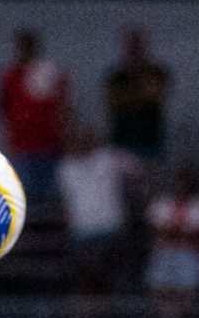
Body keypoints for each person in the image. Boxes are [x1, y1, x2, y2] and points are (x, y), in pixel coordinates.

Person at [56, 121, 138, 297]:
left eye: (85, 138)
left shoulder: (109, 158)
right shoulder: (66, 168)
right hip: (82, 233)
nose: (80, 142)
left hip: (111, 229)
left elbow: (137, 170)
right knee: (85, 284)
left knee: (112, 281)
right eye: (76, 139)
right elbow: (67, 201)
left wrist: (131, 195)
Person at [0, 30, 69, 208]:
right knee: (26, 197)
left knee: (51, 198)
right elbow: (2, 108)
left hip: (49, 144)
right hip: (22, 147)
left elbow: (62, 106)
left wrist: (63, 136)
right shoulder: (10, 76)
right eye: (23, 47)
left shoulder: (49, 72)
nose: (25, 51)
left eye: (29, 47)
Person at [143, 169, 199, 310]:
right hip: (163, 255)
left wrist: (172, 233)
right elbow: (158, 234)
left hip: (191, 256)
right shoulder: (161, 205)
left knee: (188, 301)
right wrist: (184, 233)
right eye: (177, 183)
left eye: (184, 183)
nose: (180, 187)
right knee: (160, 295)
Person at [103, 28, 172, 161]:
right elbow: (112, 103)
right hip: (121, 142)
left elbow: (155, 95)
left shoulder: (157, 72)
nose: (134, 50)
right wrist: (141, 95)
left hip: (150, 142)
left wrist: (128, 96)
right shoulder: (115, 77)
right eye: (131, 46)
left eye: (138, 45)